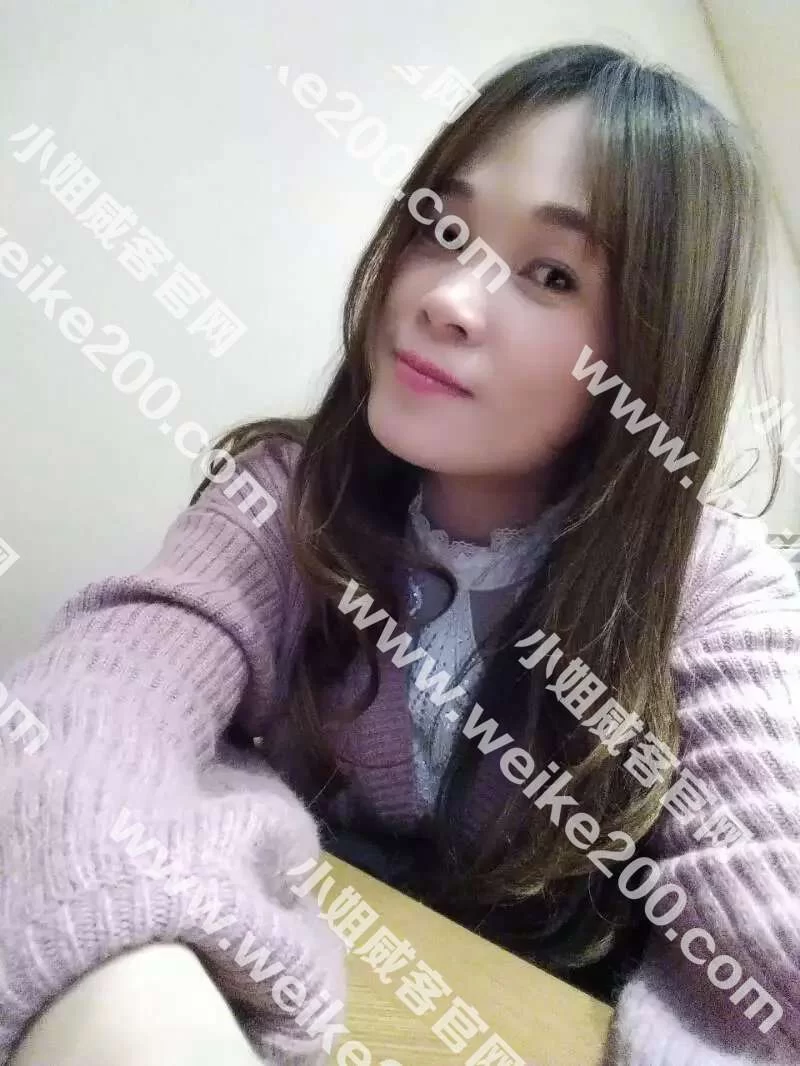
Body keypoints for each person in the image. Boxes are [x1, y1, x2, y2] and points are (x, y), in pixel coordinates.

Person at [1, 42, 799, 1066]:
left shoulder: (712, 588)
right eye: (443, 228)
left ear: (653, 353)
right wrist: (126, 992)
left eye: (550, 274)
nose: (446, 299)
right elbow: (88, 715)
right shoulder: (289, 497)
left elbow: (772, 950)